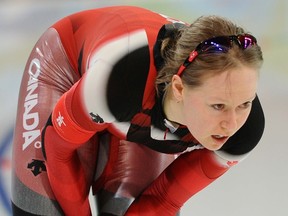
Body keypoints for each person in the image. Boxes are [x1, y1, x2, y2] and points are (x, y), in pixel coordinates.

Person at [11, 5, 264, 216]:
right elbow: (58, 150)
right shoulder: (118, 80)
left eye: (245, 104)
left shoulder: (246, 130)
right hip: (69, 68)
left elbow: (166, 199)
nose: (231, 124)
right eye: (218, 106)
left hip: (130, 103)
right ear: (178, 88)